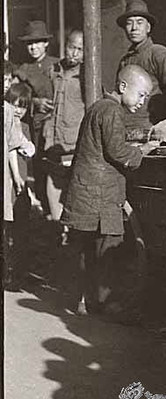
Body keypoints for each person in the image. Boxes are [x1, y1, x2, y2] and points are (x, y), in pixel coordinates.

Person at [61, 64, 155, 315]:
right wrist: (141, 152)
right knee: (108, 245)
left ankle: (81, 301)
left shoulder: (99, 107)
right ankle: (105, 303)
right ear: (123, 87)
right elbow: (117, 151)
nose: (143, 102)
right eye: (142, 95)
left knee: (87, 247)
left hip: (87, 190)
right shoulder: (112, 111)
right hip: (101, 194)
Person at [116, 0, 166, 134]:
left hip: (151, 129)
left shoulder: (160, 54)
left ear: (148, 28)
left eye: (139, 22)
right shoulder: (125, 61)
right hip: (126, 129)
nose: (134, 28)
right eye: (129, 23)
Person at [42, 30, 85, 243]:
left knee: (71, 184)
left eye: (79, 49)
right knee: (53, 179)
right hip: (53, 139)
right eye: (71, 47)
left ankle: (71, 232)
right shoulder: (54, 69)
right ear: (65, 45)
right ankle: (60, 230)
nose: (74, 53)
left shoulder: (86, 75)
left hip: (73, 141)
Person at [15, 20, 58, 211]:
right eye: (29, 43)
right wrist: (34, 102)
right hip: (37, 126)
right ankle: (46, 214)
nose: (33, 47)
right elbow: (15, 97)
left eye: (38, 42)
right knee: (40, 168)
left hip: (58, 127)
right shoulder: (23, 70)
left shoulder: (56, 65)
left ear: (46, 43)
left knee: (58, 170)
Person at [4, 82, 35, 289]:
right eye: (15, 104)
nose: (18, 110)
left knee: (21, 231)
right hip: (10, 184)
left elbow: (30, 155)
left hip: (22, 185)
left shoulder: (24, 127)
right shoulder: (8, 123)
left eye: (23, 106)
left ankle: (18, 274)